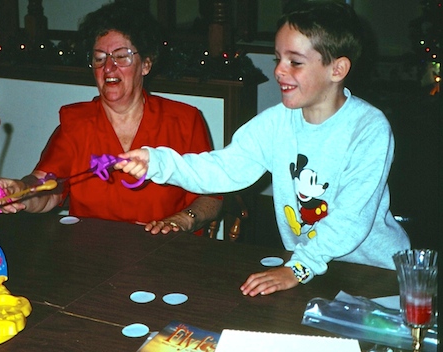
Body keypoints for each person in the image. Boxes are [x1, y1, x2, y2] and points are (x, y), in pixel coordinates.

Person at [116, 1, 410, 295]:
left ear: (337, 69)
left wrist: (298, 267)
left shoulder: (369, 128)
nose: (279, 71)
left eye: (295, 62)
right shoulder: (275, 124)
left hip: (373, 275)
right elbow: (223, 168)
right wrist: (156, 162)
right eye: (277, 59)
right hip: (309, 269)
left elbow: (351, 219)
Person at [0, 1, 222, 235]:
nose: (109, 68)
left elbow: (212, 195)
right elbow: (47, 189)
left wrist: (183, 220)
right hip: (92, 253)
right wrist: (21, 191)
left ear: (146, 65)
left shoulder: (184, 120)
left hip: (164, 252)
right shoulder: (76, 123)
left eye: (121, 57)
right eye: (100, 58)